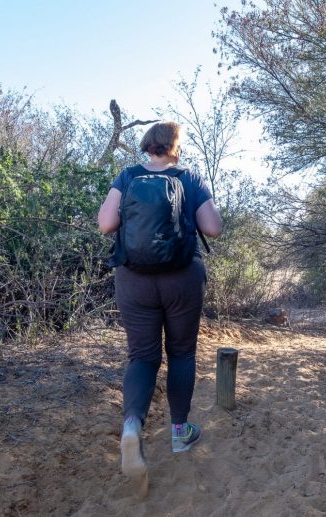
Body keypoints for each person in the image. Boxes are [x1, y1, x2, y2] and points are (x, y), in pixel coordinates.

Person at [97, 121, 222, 478]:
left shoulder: (128, 176)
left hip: (134, 280)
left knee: (142, 356)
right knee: (181, 352)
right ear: (174, 145)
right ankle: (180, 433)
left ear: (148, 144)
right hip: (182, 279)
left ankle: (132, 427)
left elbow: (106, 223)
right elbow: (212, 228)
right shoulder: (189, 178)